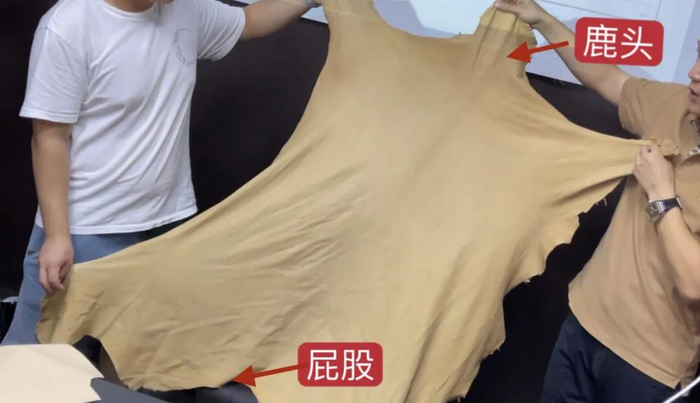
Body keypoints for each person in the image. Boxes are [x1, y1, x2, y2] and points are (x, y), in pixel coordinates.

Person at [3, 0, 322, 354]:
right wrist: (57, 235)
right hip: (87, 230)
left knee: (133, 359)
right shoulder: (68, 26)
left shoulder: (183, 10)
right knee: (38, 362)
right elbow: (49, 139)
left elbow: (249, 21)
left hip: (165, 226)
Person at [495, 0, 700, 402]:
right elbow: (610, 79)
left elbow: (695, 286)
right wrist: (543, 20)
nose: (693, 72)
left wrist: (662, 196)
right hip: (584, 323)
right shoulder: (672, 104)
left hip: (649, 367)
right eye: (697, 54)